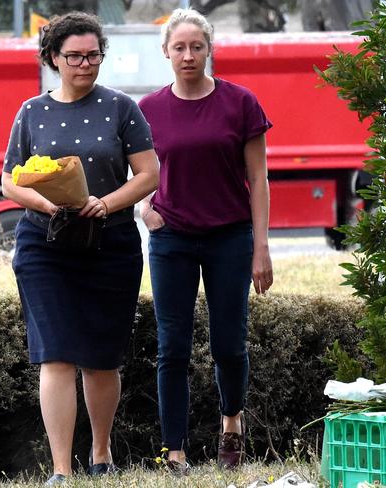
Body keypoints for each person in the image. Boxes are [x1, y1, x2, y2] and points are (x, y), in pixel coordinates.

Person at [1, 12, 159, 486]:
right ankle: (61, 470)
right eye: (74, 56)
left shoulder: (122, 107)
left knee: (102, 356)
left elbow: (149, 174)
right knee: (56, 354)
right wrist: (49, 205)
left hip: (109, 242)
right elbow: (10, 181)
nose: (85, 64)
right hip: (44, 243)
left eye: (93, 55)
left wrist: (105, 203)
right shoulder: (31, 111)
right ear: (53, 58)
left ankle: (102, 452)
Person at [138, 7, 273, 472]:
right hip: (171, 238)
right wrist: (145, 208)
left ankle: (231, 424)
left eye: (197, 46)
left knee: (228, 344)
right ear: (166, 52)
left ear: (210, 49)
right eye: (180, 47)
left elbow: (258, 178)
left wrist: (261, 246)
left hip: (230, 238)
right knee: (171, 345)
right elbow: (138, 175)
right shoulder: (148, 109)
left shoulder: (240, 103)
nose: (189, 55)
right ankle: (173, 451)